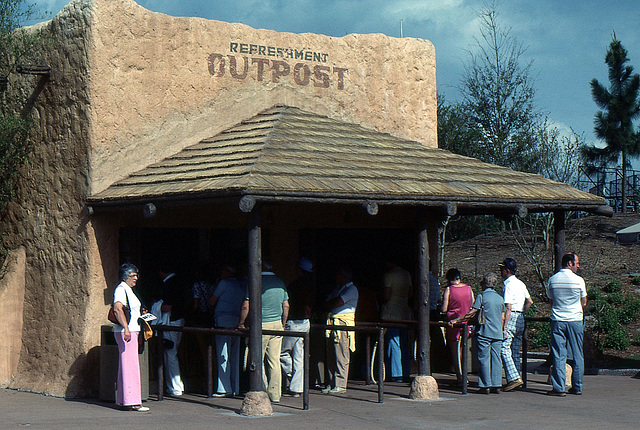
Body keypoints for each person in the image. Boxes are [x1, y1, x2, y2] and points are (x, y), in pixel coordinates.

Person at [237, 262, 289, 403]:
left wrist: (241, 322)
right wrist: (283, 323)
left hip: (260, 324)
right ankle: (275, 394)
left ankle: (262, 390)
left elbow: (246, 305)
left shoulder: (254, 282)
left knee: (257, 359)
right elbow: (286, 305)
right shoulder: (280, 282)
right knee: (274, 360)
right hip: (277, 324)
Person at [449, 272, 505, 394]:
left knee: (484, 358)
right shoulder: (500, 298)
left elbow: (471, 313)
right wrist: (502, 330)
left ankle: (485, 385)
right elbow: (502, 316)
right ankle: (496, 383)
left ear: (484, 283)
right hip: (497, 333)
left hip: (484, 331)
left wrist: (457, 320)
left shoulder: (482, 297)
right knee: (496, 358)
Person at [546, 252, 587, 396]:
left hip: (558, 319)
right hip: (575, 319)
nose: (578, 266)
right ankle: (577, 385)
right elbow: (584, 302)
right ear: (570, 263)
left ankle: (559, 387)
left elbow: (551, 301)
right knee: (577, 353)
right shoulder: (579, 281)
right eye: (577, 263)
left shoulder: (552, 280)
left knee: (558, 353)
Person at [112, 263, 149, 412]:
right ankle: (133, 401)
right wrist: (126, 328)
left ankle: (124, 399)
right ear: (126, 276)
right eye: (133, 275)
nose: (136, 278)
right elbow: (117, 309)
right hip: (127, 331)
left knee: (127, 365)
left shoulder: (128, 290)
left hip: (132, 330)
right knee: (131, 366)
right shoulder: (121, 290)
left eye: (136, 275)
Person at [280, 257, 315, 397]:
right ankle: (297, 387)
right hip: (305, 322)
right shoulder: (312, 285)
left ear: (298, 269)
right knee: (299, 355)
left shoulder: (293, 286)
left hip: (293, 322)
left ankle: (293, 379)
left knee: (281, 353)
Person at [210, 263, 245, 397]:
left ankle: (224, 388)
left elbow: (212, 301)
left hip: (223, 321)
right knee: (234, 356)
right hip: (236, 321)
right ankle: (235, 387)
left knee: (223, 355)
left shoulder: (223, 283)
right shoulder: (240, 285)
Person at [323, 266, 359, 394]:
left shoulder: (351, 289)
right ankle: (331, 381)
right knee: (331, 354)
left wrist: (331, 303)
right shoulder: (338, 288)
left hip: (342, 323)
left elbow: (338, 302)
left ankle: (341, 383)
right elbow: (327, 301)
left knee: (341, 354)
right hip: (333, 321)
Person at [499, 257, 533, 392]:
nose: (500, 272)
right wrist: (522, 313)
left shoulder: (508, 285)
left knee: (504, 347)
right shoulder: (520, 283)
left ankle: (514, 378)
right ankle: (516, 377)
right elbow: (530, 301)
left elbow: (508, 307)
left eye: (502, 269)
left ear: (507, 270)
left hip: (511, 315)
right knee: (515, 349)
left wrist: (505, 326)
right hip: (520, 317)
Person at [380, 260, 412, 382]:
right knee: (404, 343)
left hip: (392, 312)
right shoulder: (406, 274)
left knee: (394, 342)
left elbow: (386, 296)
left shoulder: (388, 275)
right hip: (404, 311)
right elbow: (410, 293)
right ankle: (406, 372)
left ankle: (395, 373)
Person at [441, 268, 474, 386]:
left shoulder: (449, 290)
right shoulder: (469, 289)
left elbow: (444, 308)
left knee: (455, 350)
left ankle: (459, 376)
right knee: (463, 349)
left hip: (453, 322)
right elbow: (472, 305)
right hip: (466, 322)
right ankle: (465, 375)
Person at [158, 264, 186, 396]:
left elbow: (167, 307)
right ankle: (177, 385)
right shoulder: (180, 282)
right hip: (179, 320)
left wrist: (156, 306)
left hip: (171, 321)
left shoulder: (169, 284)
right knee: (173, 352)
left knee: (170, 353)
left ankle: (174, 387)